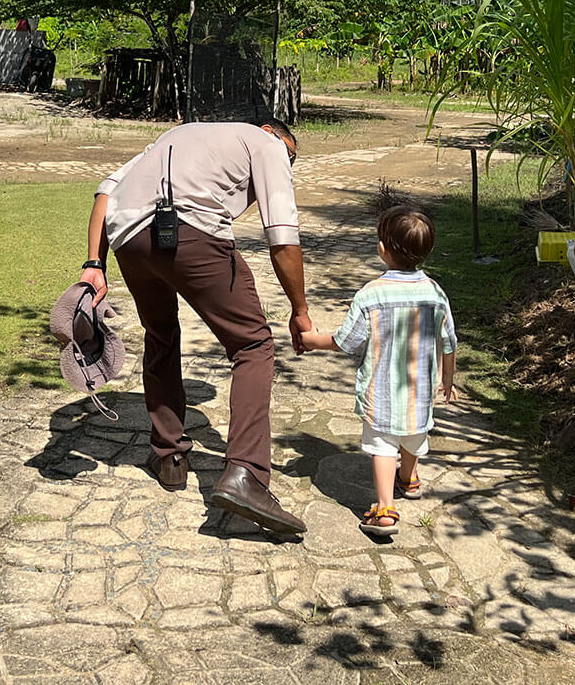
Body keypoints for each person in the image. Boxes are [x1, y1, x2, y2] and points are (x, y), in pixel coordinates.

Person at [80, 118, 312, 535]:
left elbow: (105, 191)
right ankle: (247, 475)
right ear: (272, 131)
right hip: (190, 231)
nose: (287, 165)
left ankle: (169, 457)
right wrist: (300, 309)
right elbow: (282, 236)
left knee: (161, 334)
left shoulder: (179, 134)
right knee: (253, 346)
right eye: (291, 157)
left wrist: (93, 264)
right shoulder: (268, 142)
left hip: (127, 239)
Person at [299, 206, 457, 536]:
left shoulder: (371, 294)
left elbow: (347, 341)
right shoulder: (435, 293)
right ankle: (408, 480)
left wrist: (314, 340)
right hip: (420, 391)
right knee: (413, 436)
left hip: (381, 392)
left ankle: (385, 509)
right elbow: (449, 342)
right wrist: (447, 380)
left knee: (383, 446)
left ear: (382, 249)